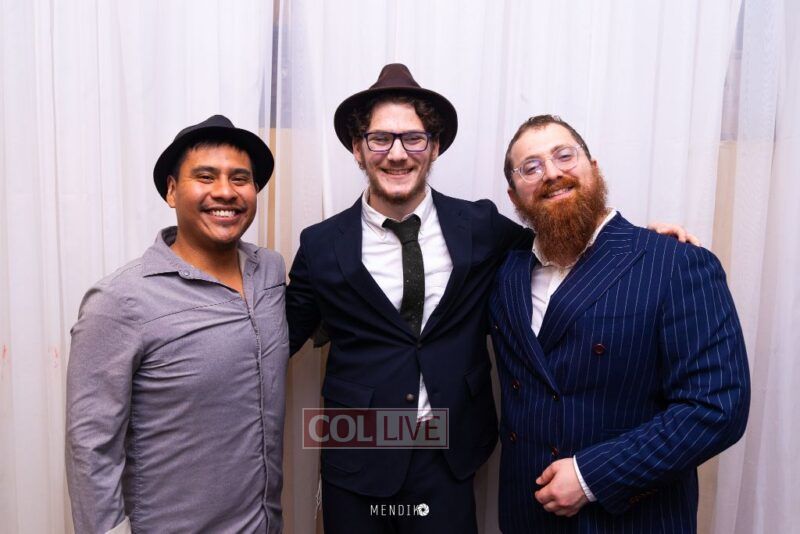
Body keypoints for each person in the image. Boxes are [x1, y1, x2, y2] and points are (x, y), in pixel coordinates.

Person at [286, 65, 694, 534]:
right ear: (358, 150)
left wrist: (639, 242)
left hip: (449, 456)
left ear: (434, 147)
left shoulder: (479, 227)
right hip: (358, 455)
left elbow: (560, 244)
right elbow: (281, 334)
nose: (397, 154)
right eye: (380, 139)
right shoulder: (320, 244)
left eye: (413, 139)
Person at [489, 114, 750, 533]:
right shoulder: (505, 274)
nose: (551, 173)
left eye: (564, 156)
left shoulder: (675, 263)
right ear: (514, 195)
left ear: (594, 168)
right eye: (531, 167)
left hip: (632, 520)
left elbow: (717, 408)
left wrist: (591, 477)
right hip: (527, 517)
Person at [66, 115, 288, 533]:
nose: (225, 191)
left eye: (240, 179)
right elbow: (91, 448)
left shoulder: (270, 272)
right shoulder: (119, 301)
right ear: (171, 190)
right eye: (205, 176)